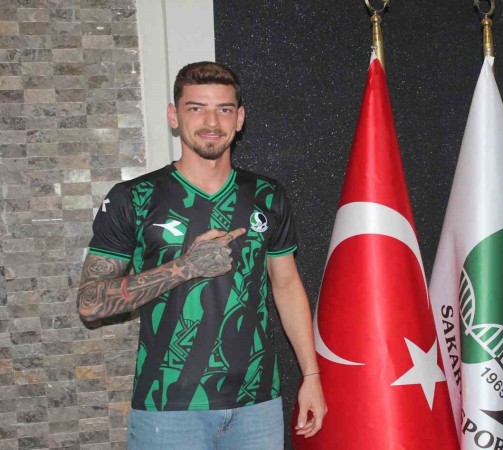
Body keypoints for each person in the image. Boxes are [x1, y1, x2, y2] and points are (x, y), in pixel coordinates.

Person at [77, 61, 326, 449]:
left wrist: (311, 376)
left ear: (239, 119)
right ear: (173, 116)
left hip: (257, 404)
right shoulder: (134, 198)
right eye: (196, 108)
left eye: (224, 109)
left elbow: (287, 285)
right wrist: (185, 267)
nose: (211, 121)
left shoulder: (266, 194)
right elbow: (90, 304)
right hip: (168, 407)